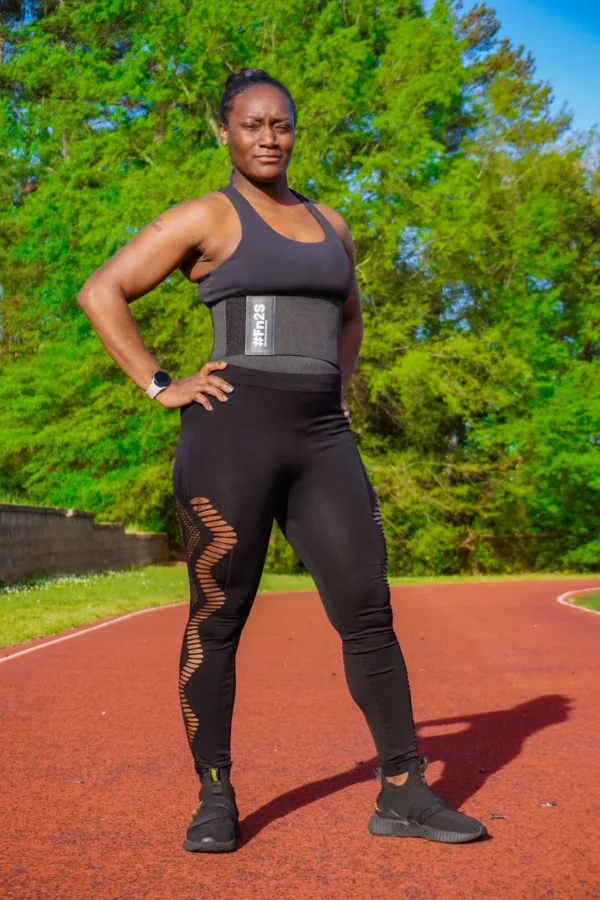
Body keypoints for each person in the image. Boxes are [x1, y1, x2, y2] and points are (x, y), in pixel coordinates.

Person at [77, 67, 486, 853]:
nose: (269, 138)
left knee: (368, 612)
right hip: (231, 436)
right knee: (219, 617)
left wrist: (339, 390)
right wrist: (161, 384)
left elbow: (351, 316)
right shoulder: (208, 216)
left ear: (296, 131)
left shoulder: (331, 224)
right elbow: (104, 291)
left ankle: (404, 790)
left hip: (322, 441)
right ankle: (215, 796)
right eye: (252, 125)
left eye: (282, 125)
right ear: (224, 133)